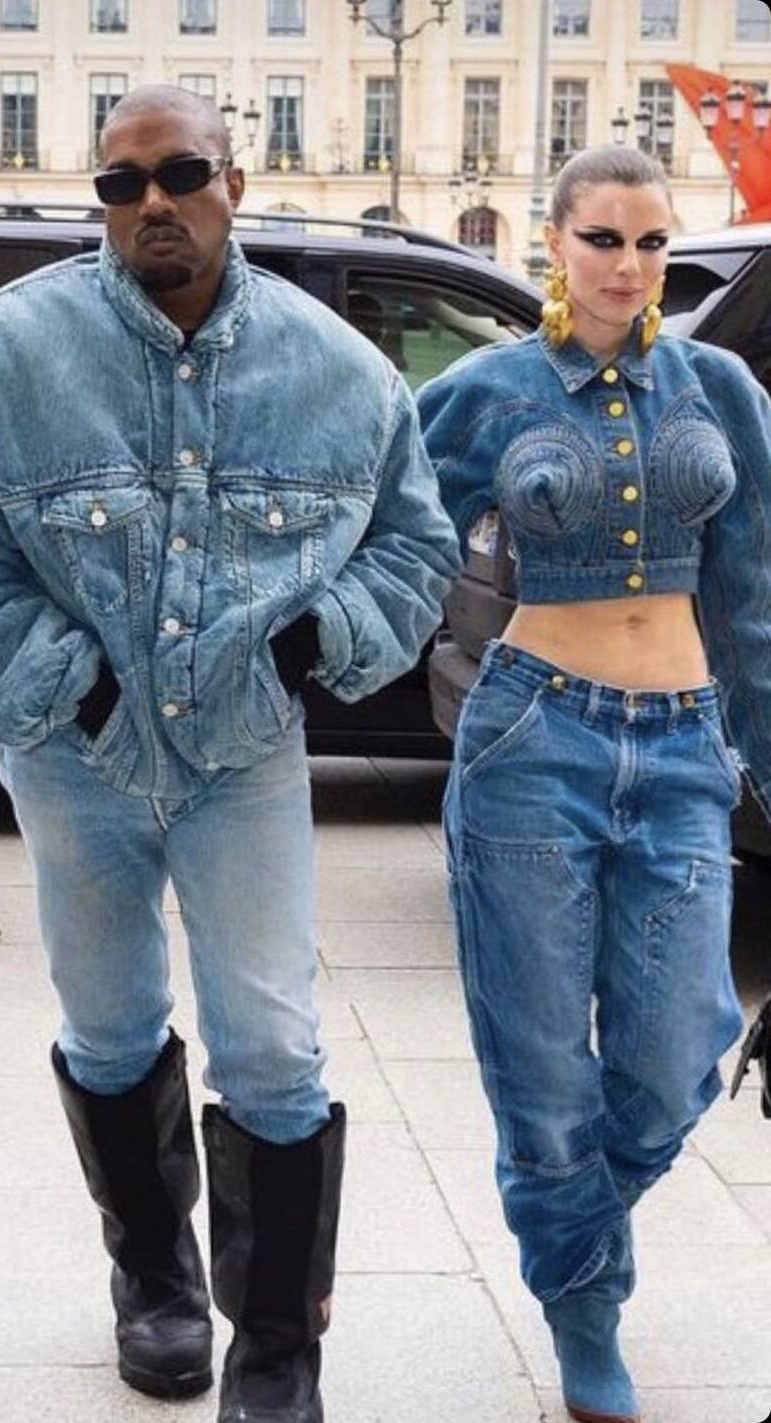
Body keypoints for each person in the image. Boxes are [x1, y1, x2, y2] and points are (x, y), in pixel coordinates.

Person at [0, 86, 460, 1423]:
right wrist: (71, 687)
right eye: (119, 183)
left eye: (180, 173)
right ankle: (154, 1277)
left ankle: (279, 1344)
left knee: (275, 1047)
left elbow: (415, 547)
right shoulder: (3, 354)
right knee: (108, 1022)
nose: (152, 203)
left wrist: (312, 645)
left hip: (245, 759)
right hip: (71, 759)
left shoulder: (339, 371)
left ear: (233, 183)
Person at [418, 144, 771, 1423]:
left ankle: (570, 1232)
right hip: (531, 740)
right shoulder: (487, 389)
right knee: (538, 1063)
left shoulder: (720, 389)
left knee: (675, 1053)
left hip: (680, 746)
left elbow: (751, 602)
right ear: (553, 245)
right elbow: (394, 532)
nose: (628, 266)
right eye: (603, 239)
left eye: (651, 242)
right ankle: (585, 1313)